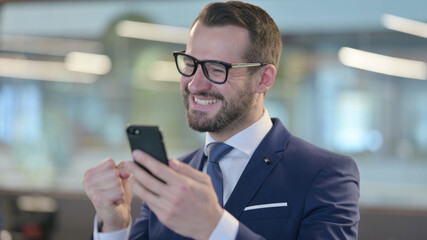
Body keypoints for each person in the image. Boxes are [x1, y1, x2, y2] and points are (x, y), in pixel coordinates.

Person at [82, 1, 360, 239]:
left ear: (263, 79)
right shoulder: (173, 177)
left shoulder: (325, 174)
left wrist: (215, 227)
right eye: (190, 64)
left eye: (217, 69)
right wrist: (114, 225)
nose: (195, 84)